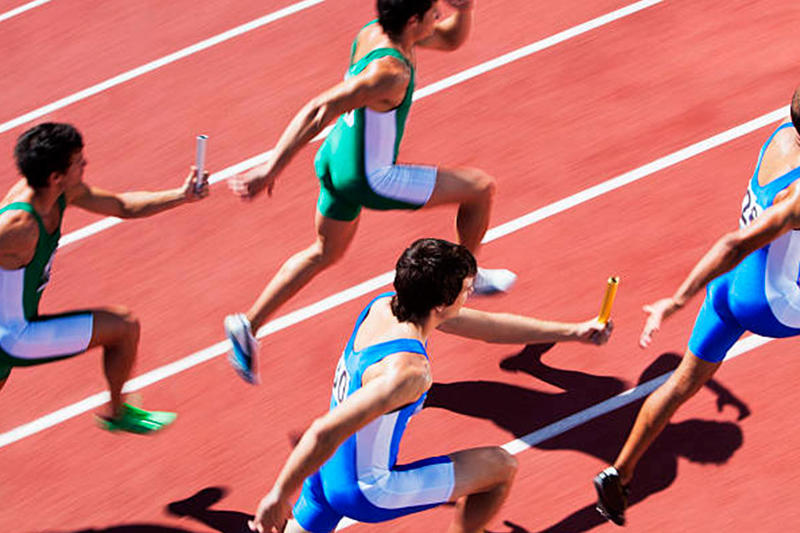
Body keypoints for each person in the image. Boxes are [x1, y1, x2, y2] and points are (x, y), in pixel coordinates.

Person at [225, 0, 516, 384]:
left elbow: (450, 40)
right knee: (480, 189)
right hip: (371, 177)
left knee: (323, 251)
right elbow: (319, 108)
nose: (439, 18)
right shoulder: (391, 72)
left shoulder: (375, 33)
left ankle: (247, 325)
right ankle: (465, 276)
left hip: (337, 157)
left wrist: (465, 9)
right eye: (435, 13)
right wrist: (271, 167)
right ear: (413, 20)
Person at [248, 238, 613, 533]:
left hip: (325, 471)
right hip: (368, 490)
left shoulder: (384, 307)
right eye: (468, 290)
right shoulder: (409, 371)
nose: (470, 295)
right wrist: (277, 495)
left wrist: (574, 332)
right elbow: (321, 431)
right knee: (500, 468)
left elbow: (488, 327)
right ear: (441, 303)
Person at [594, 87, 800, 526]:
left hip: (728, 287)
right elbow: (733, 242)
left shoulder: (781, 136)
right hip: (771, 302)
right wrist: (675, 299)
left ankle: (618, 472)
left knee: (680, 383)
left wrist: (683, 298)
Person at [0, 122, 208, 434]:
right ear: (55, 176)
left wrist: (182, 196)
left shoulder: (60, 192)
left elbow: (122, 206)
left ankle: (117, 410)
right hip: (15, 336)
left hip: (18, 323)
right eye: (77, 162)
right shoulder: (19, 225)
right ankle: (116, 412)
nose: (85, 165)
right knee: (123, 327)